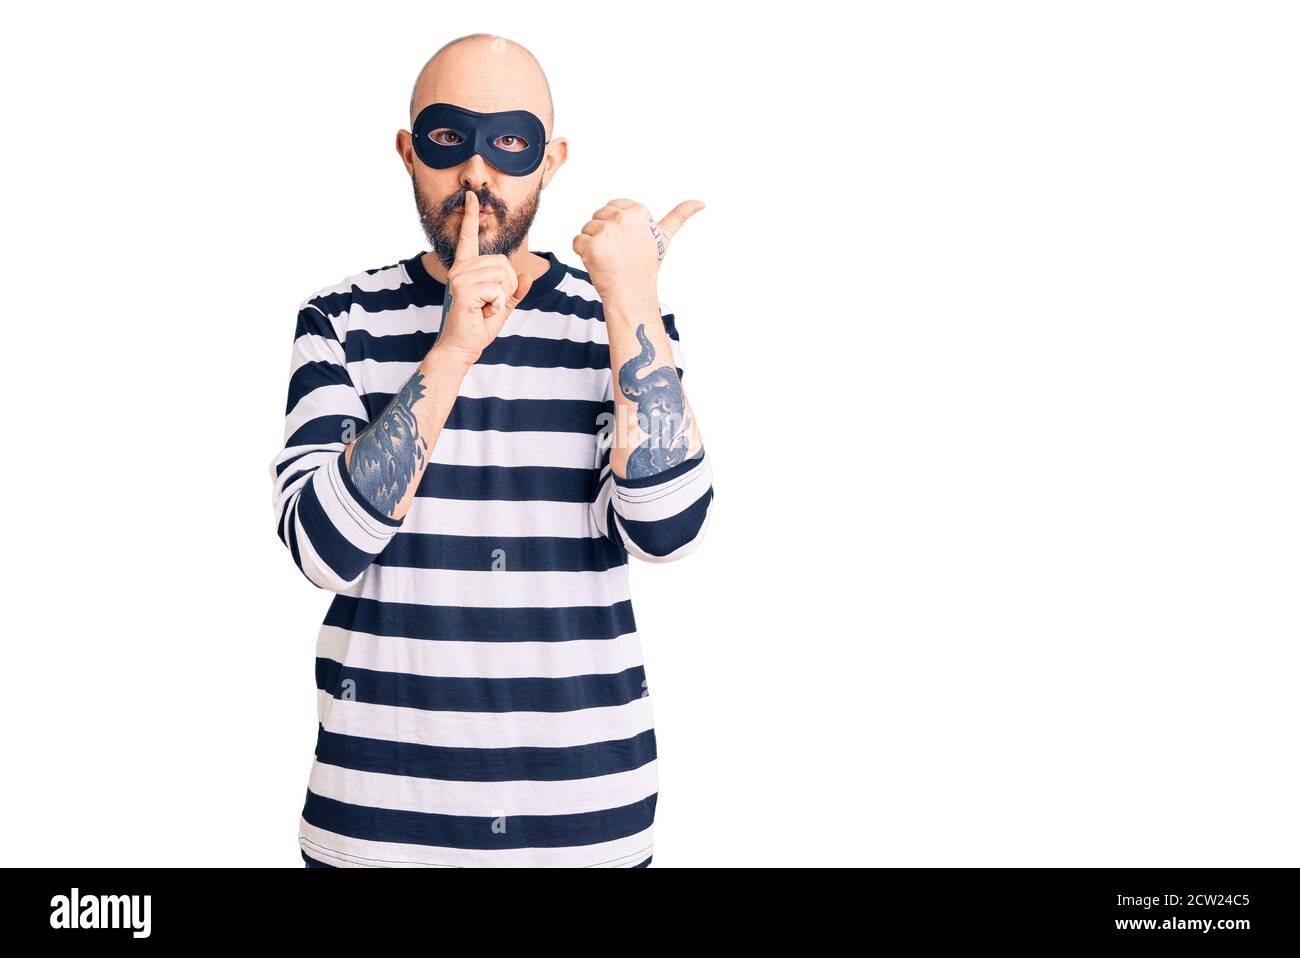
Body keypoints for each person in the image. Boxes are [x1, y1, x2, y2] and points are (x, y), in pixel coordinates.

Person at [268, 33, 714, 868]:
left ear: (552, 161)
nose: (478, 172)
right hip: (374, 828)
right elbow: (322, 550)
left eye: (510, 142)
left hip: (589, 826)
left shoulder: (615, 321)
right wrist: (450, 355)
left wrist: (634, 301)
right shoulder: (337, 320)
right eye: (448, 138)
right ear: (409, 152)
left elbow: (670, 528)